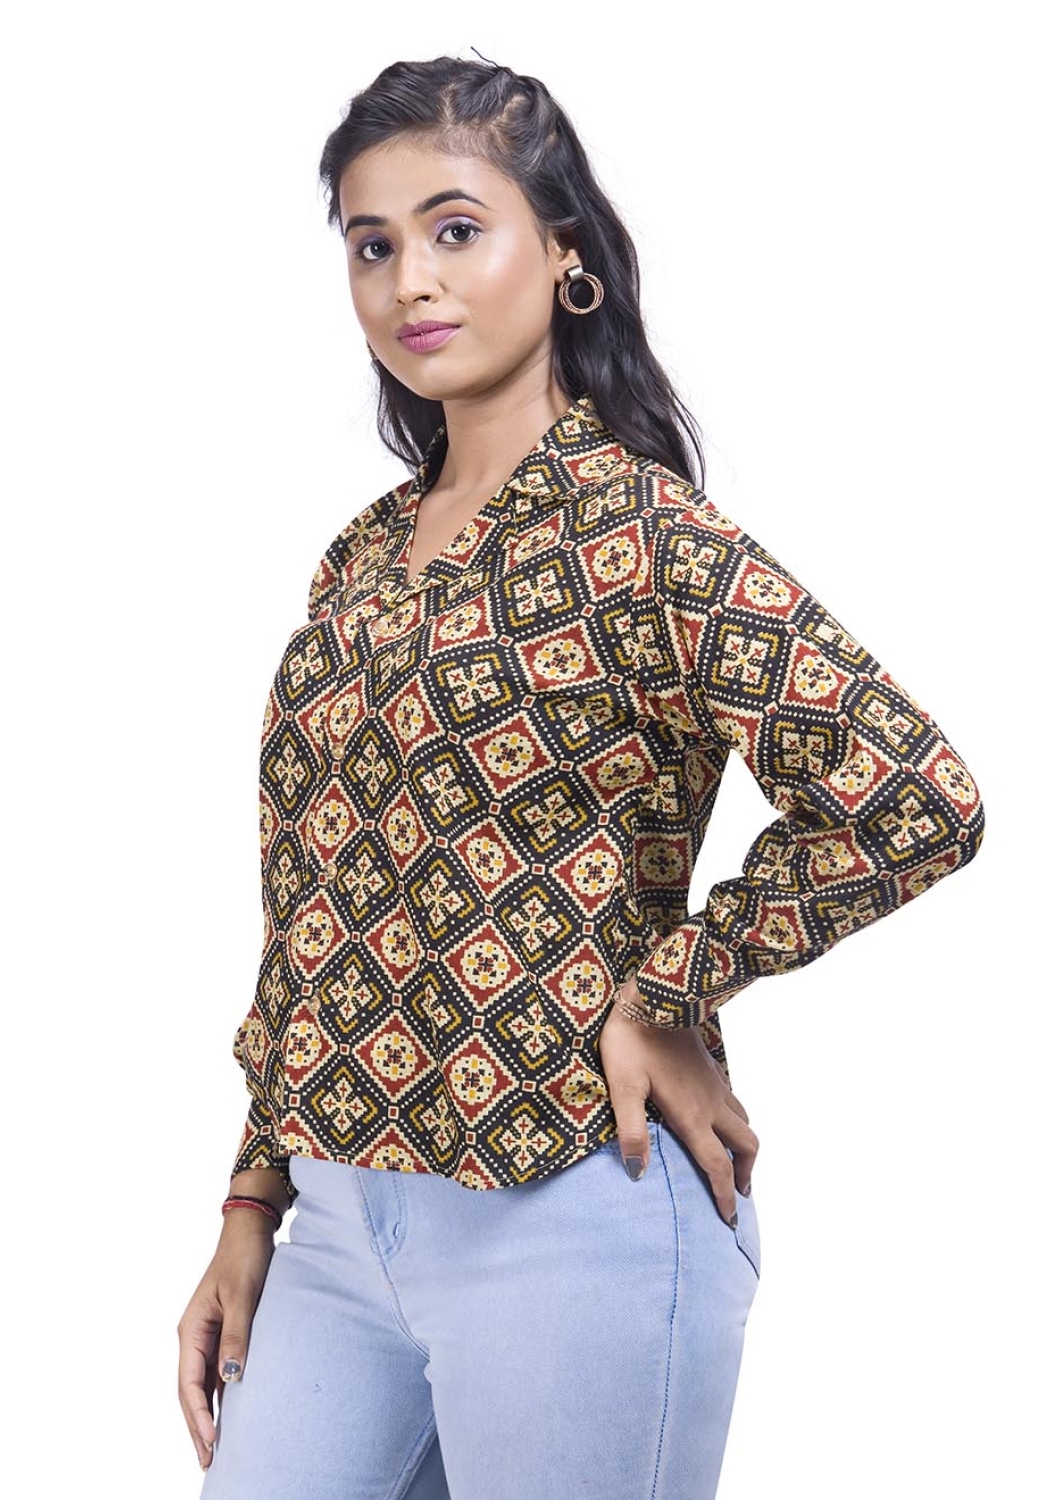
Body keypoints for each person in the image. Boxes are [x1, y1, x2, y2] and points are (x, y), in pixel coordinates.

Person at [177, 54, 985, 1500]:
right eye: (372, 246)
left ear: (564, 255)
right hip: (340, 1229)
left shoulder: (646, 538)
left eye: (455, 229)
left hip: (569, 1209)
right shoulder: (362, 559)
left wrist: (675, 986)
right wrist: (254, 1196)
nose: (411, 281)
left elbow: (915, 794)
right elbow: (317, 904)